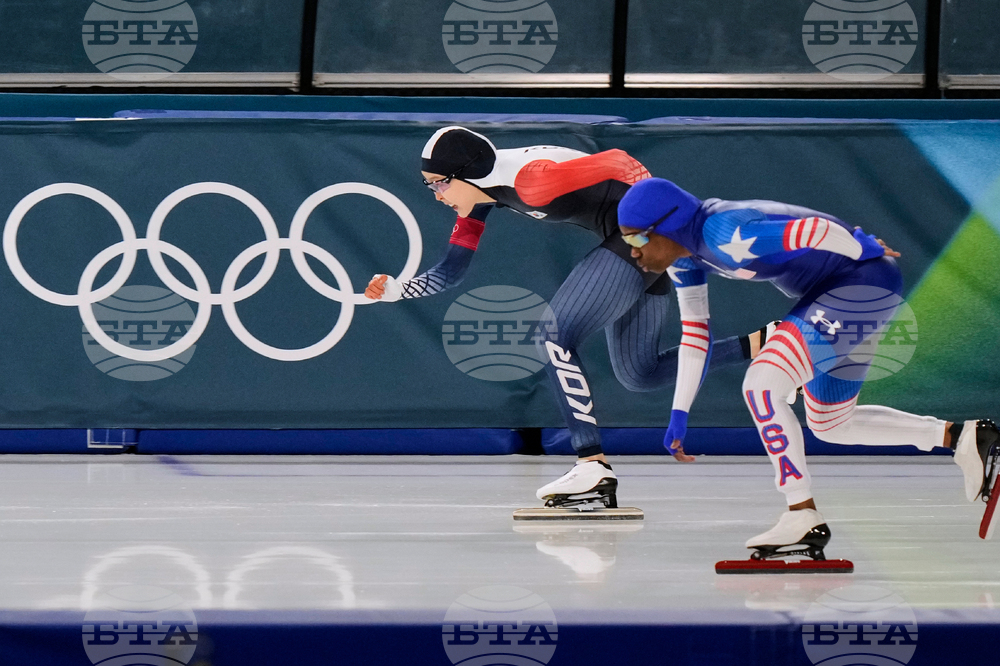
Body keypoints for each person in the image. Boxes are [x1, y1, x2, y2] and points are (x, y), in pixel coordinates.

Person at [364, 127, 774, 509]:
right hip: (642, 235)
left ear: (467, 172)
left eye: (439, 183)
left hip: (648, 236)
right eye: (430, 185)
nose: (436, 195)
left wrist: (671, 228)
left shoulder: (532, 181)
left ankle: (591, 464)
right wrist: (397, 290)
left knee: (553, 336)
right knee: (641, 373)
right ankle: (769, 341)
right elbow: (451, 271)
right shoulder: (480, 195)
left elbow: (620, 160)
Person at [616, 176, 999, 556]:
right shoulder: (685, 258)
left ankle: (801, 514)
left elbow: (815, 230)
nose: (632, 252)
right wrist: (679, 414)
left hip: (860, 284)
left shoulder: (723, 232)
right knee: (832, 424)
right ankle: (963, 438)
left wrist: (861, 246)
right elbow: (696, 335)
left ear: (667, 225)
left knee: (761, 386)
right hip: (841, 290)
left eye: (636, 240)